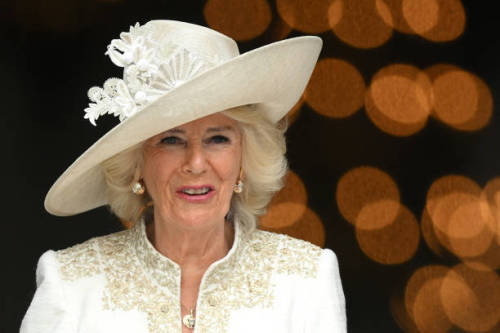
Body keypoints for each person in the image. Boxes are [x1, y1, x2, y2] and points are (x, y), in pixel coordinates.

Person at [21, 20, 346, 332]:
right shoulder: (69, 283)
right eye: (171, 140)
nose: (195, 163)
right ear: (136, 163)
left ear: (244, 159)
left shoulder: (308, 281)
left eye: (218, 139)